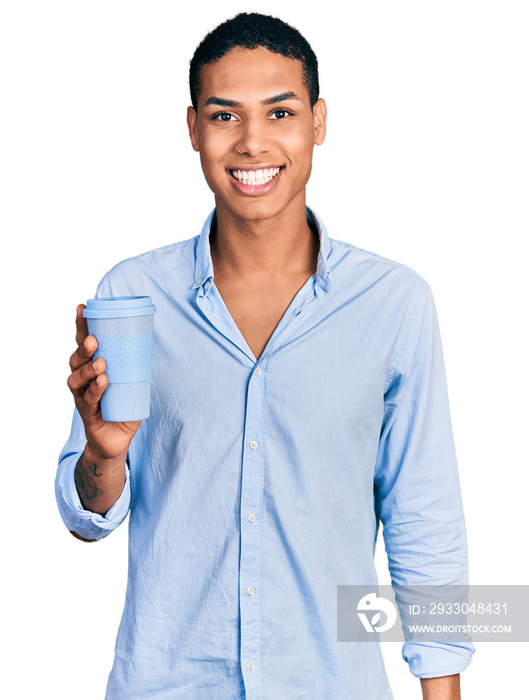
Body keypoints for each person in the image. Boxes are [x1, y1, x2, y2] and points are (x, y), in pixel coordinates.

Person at [56, 12, 474, 700]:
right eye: (224, 116)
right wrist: (102, 455)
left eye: (279, 112)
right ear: (193, 129)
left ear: (317, 121)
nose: (252, 142)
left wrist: (443, 688)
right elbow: (85, 518)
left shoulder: (394, 303)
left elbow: (425, 513)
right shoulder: (132, 295)